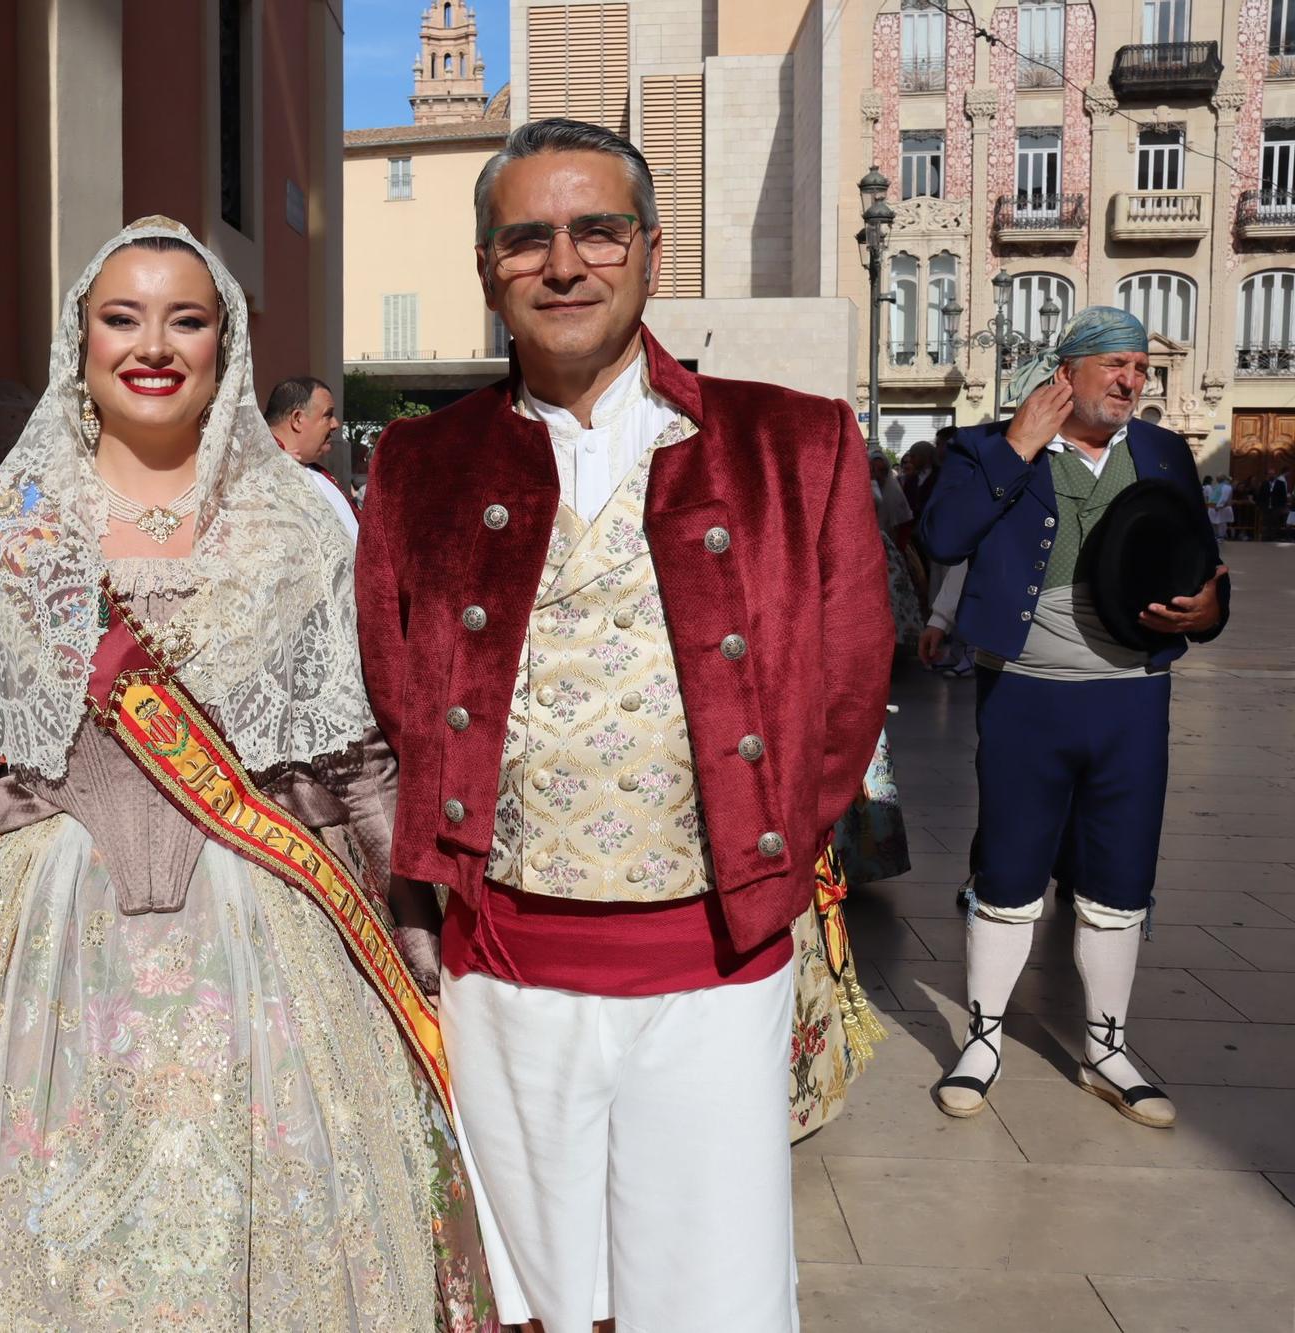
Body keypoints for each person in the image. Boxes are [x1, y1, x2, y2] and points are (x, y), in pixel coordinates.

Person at [0, 218, 494, 1330]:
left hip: (263, 937)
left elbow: (357, 764)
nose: (152, 344)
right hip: (34, 946)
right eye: (121, 317)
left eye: (186, 318)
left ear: (228, 345)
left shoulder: (295, 530)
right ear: (82, 341)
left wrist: (425, 938)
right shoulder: (11, 530)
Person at [355, 117, 893, 1332]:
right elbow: (394, 684)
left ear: (648, 253)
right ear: (485, 269)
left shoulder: (790, 442)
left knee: (704, 1291)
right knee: (525, 1291)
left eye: (596, 230)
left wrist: (758, 848)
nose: (562, 263)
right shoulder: (414, 464)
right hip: (503, 964)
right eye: (524, 239)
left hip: (713, 962)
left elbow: (849, 685)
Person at [919, 307, 1230, 1131]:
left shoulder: (1162, 451)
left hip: (1134, 696)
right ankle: (981, 1040)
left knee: (1121, 874)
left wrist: (1205, 607)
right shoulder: (989, 444)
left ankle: (1107, 1047)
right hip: (1025, 691)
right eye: (1116, 365)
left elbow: (1206, 568)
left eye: (1141, 367)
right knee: (1011, 868)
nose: (1133, 381)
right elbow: (943, 534)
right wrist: (1018, 446)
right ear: (1070, 371)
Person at [265, 374, 358, 536]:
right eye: (328, 415)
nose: (336, 424)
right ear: (297, 419)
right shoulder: (258, 473)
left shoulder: (317, 471)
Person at [871, 449, 928, 642]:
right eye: (873, 469)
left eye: (881, 470)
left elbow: (900, 523)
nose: (876, 474)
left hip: (889, 547)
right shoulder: (861, 487)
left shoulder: (892, 490)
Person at [1268, 467, 1291, 539]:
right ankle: (1275, 536)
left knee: (1278, 520)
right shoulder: (1280, 480)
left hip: (1278, 504)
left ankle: (1278, 535)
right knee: (1276, 521)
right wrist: (1285, 502)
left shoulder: (1280, 480)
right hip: (1277, 504)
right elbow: (1282, 494)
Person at [1211, 474, 1234, 541]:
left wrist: (1219, 506)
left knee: (1221, 522)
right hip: (1215, 506)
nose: (1217, 479)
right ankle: (1217, 536)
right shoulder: (1217, 486)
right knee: (1215, 522)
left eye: (1218, 478)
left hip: (1222, 507)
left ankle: (1221, 537)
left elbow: (1224, 498)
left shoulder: (1226, 487)